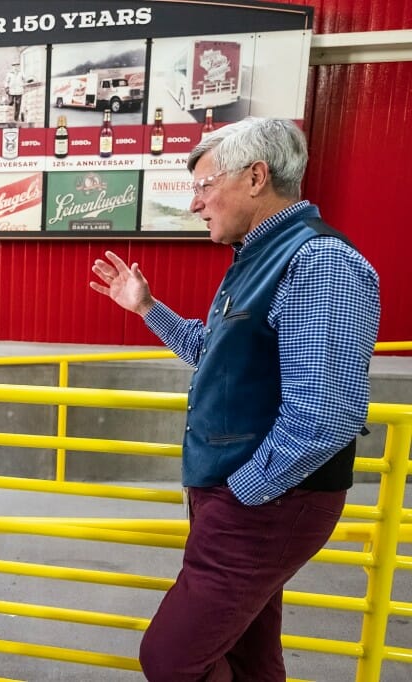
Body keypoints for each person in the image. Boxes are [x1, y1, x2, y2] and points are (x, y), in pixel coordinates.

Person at [89, 117, 380, 681]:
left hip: (265, 502)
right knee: (248, 654)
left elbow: (328, 413)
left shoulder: (320, 263)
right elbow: (217, 354)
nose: (196, 204)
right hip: (249, 496)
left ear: (255, 177)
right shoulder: (261, 256)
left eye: (204, 185)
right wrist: (148, 308)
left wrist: (240, 492)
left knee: (172, 659)